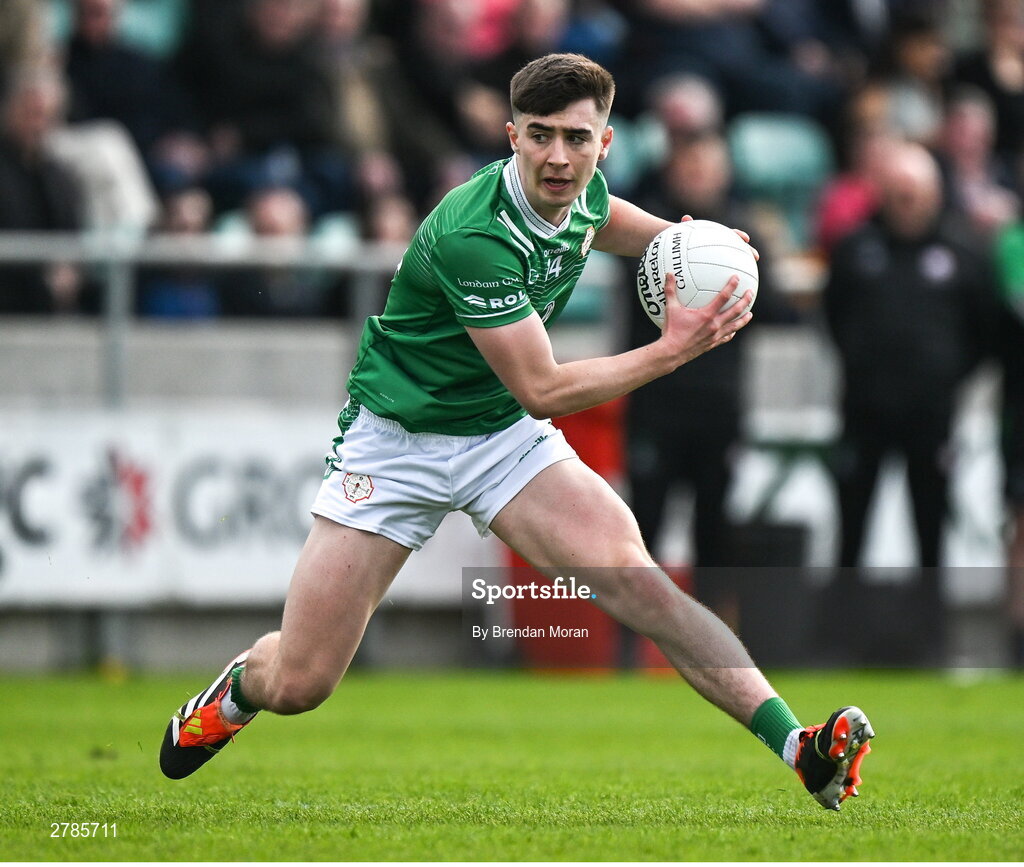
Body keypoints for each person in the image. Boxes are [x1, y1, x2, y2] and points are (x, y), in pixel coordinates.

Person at [158, 53, 873, 811]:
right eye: (539, 136)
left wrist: (693, 242)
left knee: (642, 582)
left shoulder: (585, 190)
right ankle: (236, 691)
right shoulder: (476, 233)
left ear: (604, 144)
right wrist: (672, 351)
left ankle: (802, 750)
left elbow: (612, 221)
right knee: (302, 682)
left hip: (497, 437)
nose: (558, 157)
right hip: (400, 440)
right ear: (511, 136)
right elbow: (542, 387)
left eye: (576, 138)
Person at [823, 140, 996, 658]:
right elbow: (834, 317)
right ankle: (840, 640)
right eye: (897, 194)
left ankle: (932, 641)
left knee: (931, 531)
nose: (906, 204)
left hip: (932, 417)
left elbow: (984, 332)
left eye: (914, 194)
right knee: (851, 529)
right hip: (864, 413)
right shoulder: (856, 249)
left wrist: (945, 376)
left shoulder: (963, 252)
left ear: (934, 195)